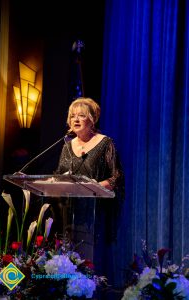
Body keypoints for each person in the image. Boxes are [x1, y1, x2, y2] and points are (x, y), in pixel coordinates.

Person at [55, 97, 125, 291]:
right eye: (72, 116)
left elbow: (116, 177)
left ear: (92, 119)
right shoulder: (66, 147)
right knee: (70, 261)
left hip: (97, 214)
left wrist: (95, 185)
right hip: (70, 214)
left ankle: (93, 292)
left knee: (92, 263)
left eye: (81, 115)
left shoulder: (105, 143)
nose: (75, 119)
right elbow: (59, 175)